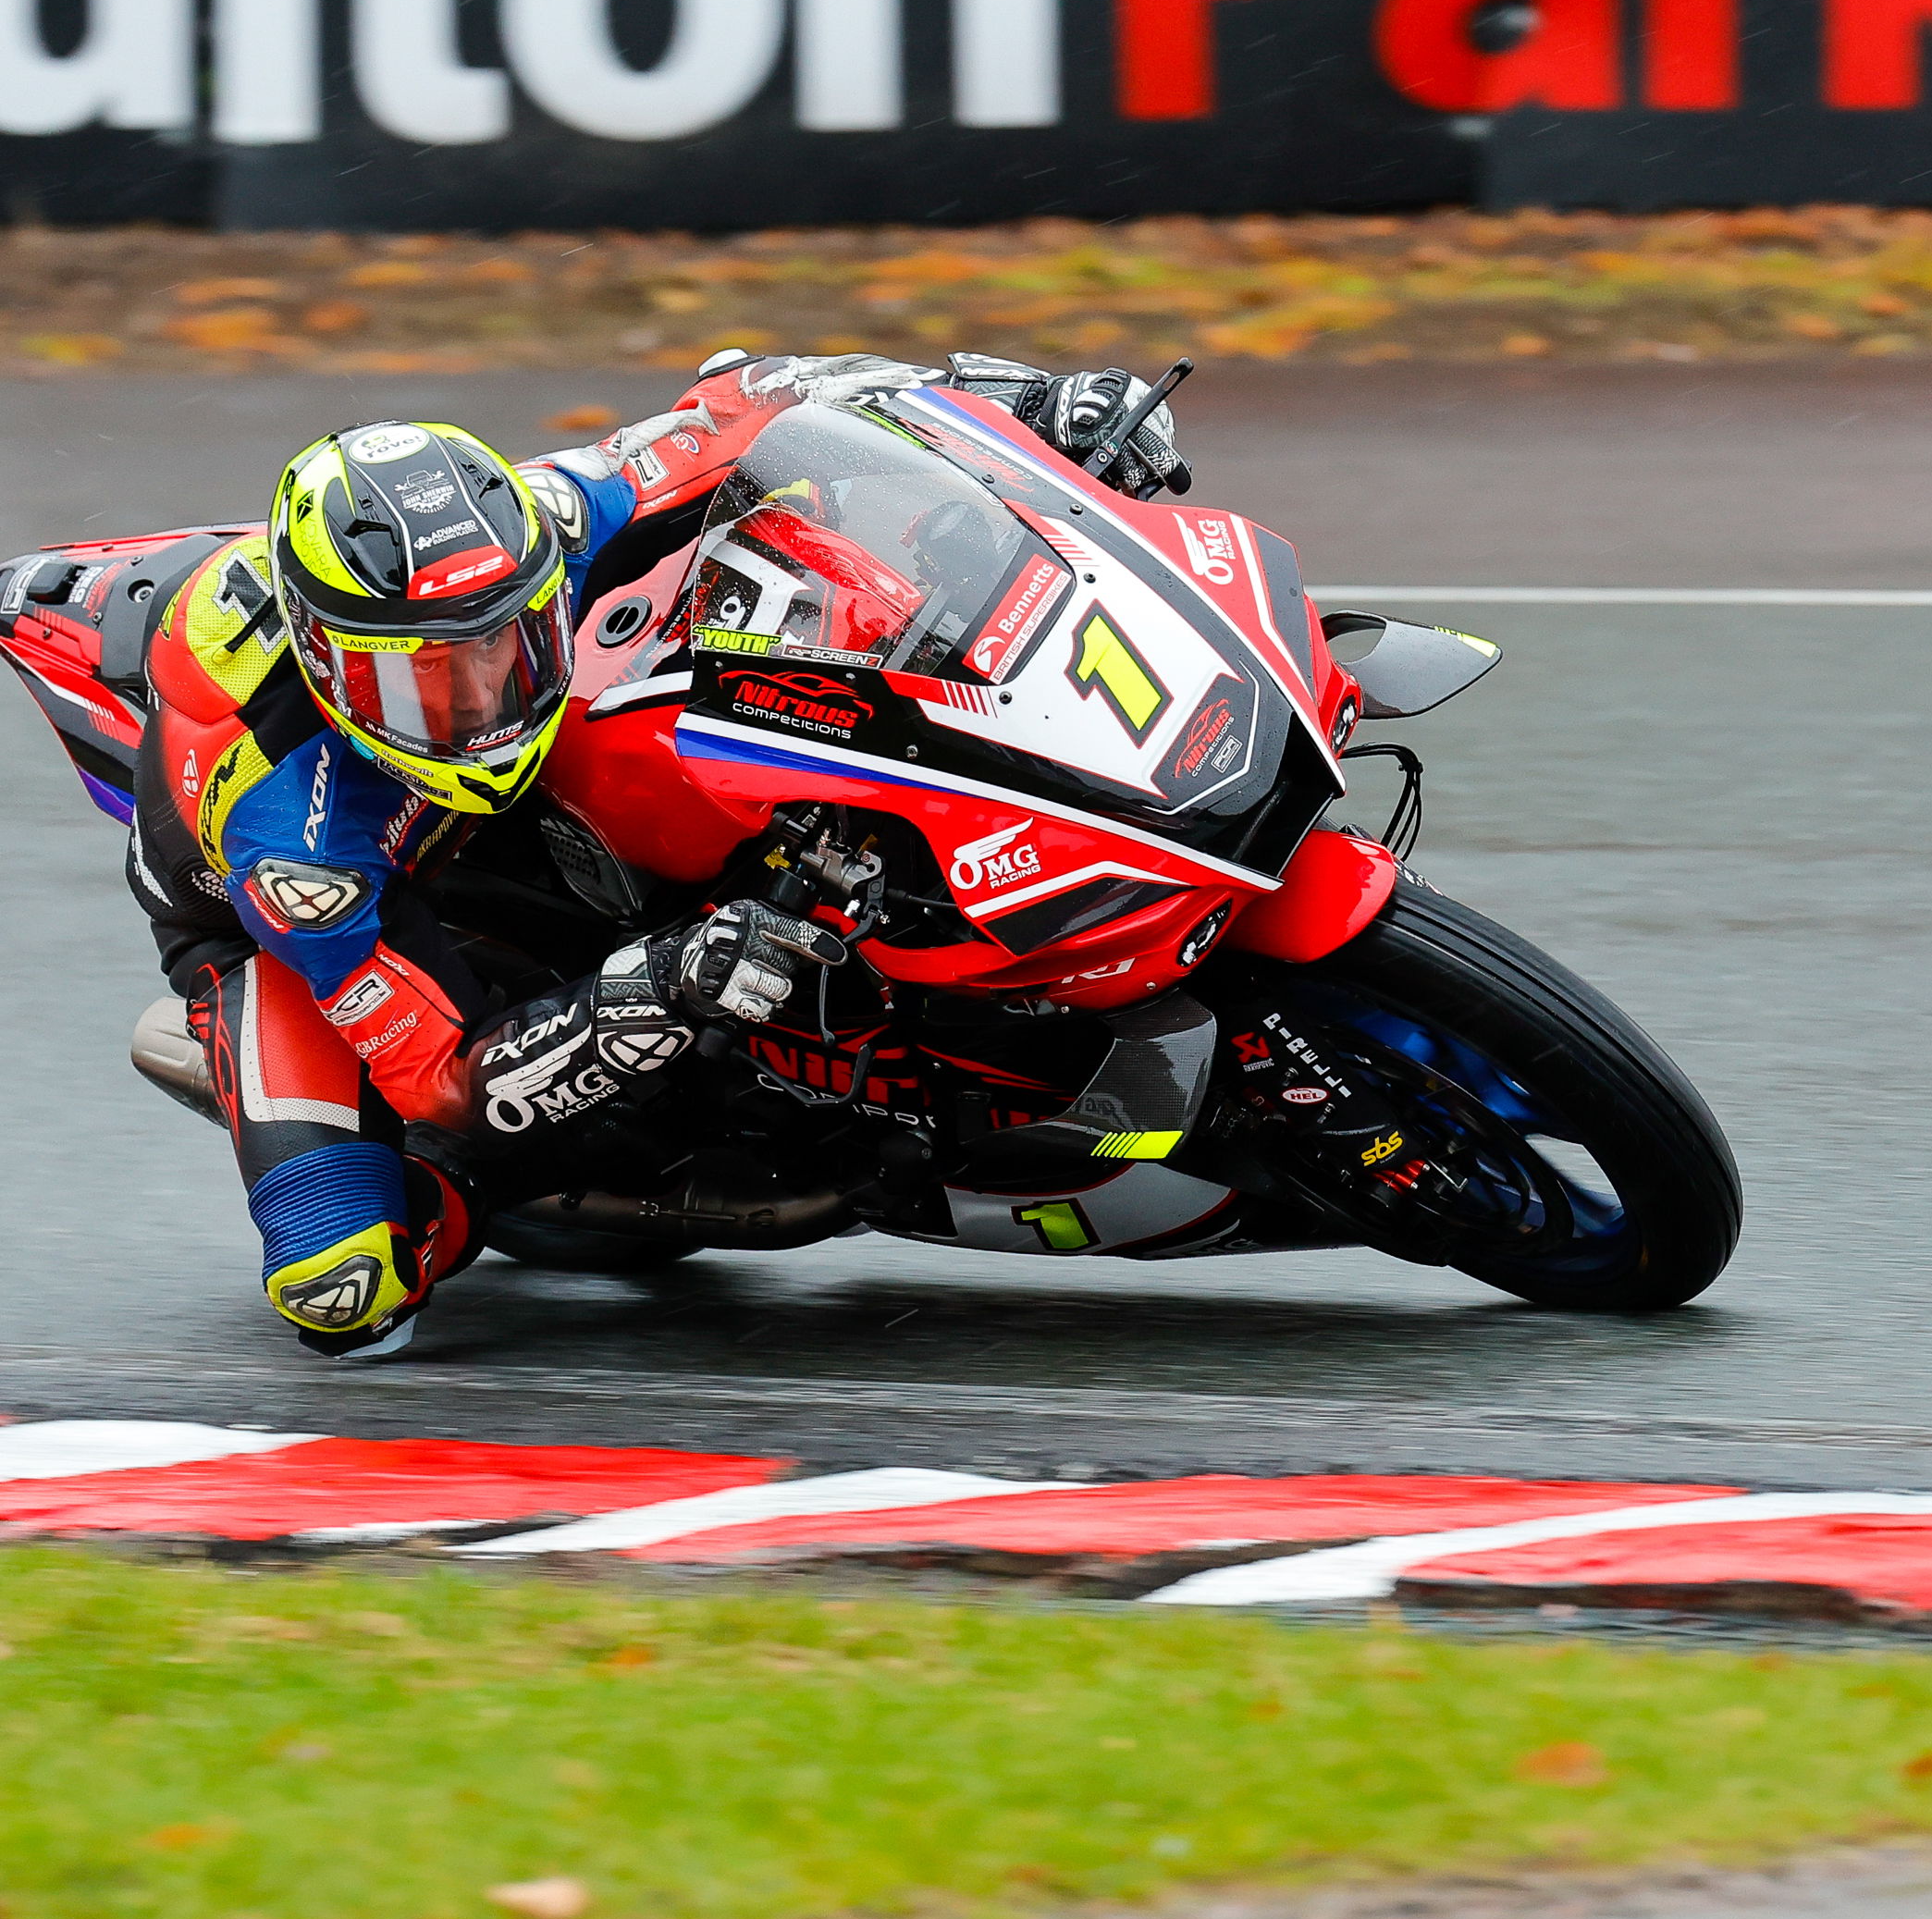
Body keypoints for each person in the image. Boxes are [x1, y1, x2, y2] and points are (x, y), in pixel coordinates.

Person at [129, 346, 1188, 1359]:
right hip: (281, 931)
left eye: (508, 642)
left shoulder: (544, 519)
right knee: (343, 1282)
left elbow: (760, 402)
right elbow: (447, 1080)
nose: (479, 700)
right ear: (329, 669)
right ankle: (442, 1181)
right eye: (420, 681)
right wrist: (648, 992)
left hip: (479, 805)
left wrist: (1024, 406)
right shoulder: (297, 845)